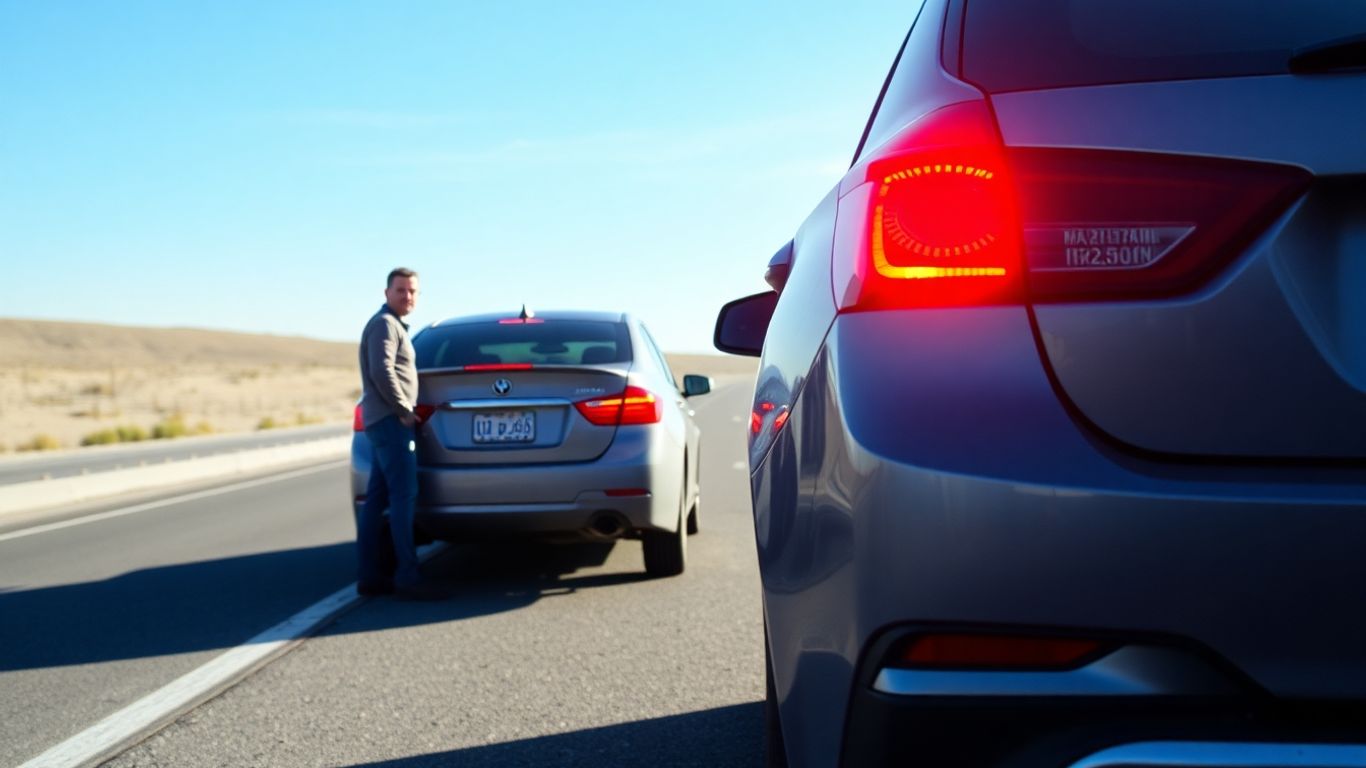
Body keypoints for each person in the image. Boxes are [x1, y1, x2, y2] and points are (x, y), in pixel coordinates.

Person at [355, 267, 443, 600]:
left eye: (412, 291)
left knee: (377, 500)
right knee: (404, 497)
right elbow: (382, 370)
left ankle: (370, 577)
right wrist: (404, 409)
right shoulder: (384, 325)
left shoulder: (392, 325)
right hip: (391, 423)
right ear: (386, 292)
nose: (407, 296)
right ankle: (407, 576)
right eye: (401, 290)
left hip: (382, 422)